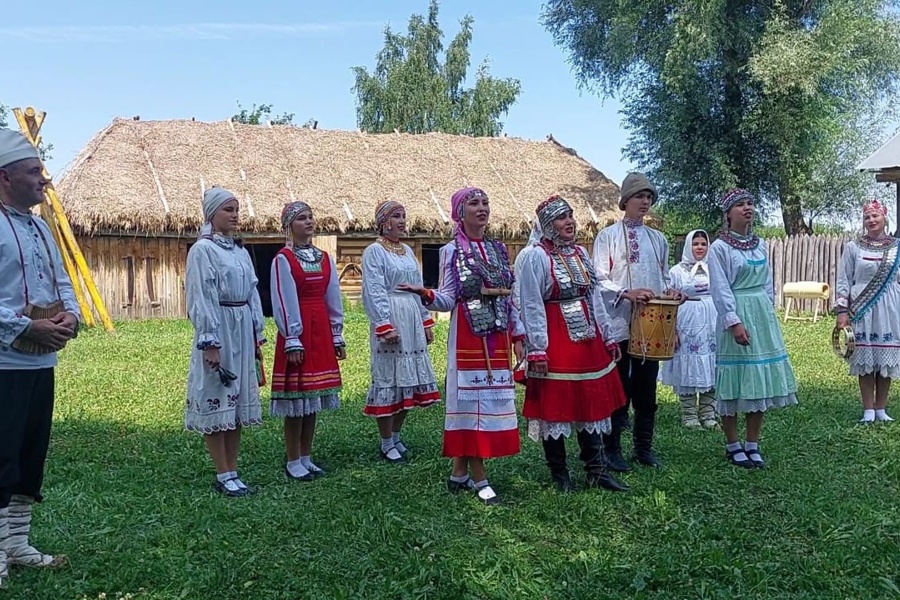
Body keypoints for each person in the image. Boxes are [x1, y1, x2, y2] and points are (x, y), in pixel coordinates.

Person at [401, 187, 525, 505]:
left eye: (485, 202)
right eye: (474, 203)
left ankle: (459, 472)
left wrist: (519, 337)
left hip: (497, 337)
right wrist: (424, 293)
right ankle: (479, 477)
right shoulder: (451, 251)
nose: (482, 208)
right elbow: (447, 297)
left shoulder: (499, 249)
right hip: (467, 337)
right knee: (472, 407)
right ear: (460, 212)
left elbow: (511, 298)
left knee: (491, 404)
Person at [0, 129, 79, 586]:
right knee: (0, 454)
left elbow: (61, 280)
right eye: (34, 172)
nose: (43, 180)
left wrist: (69, 317)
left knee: (30, 455)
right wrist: (24, 326)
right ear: (5, 176)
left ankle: (16, 544)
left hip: (39, 361)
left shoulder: (41, 226)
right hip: (3, 362)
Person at [517, 195, 629, 492]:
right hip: (554, 338)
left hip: (587, 340)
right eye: (561, 217)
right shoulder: (534, 256)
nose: (569, 222)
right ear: (547, 225)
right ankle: (560, 474)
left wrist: (607, 335)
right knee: (555, 404)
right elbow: (530, 303)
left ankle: (597, 469)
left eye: (570, 216)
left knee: (590, 401)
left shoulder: (580, 252)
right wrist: (537, 347)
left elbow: (594, 298)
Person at [591, 172, 685, 471]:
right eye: (639, 196)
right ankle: (612, 449)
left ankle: (644, 448)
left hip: (651, 323)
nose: (645, 202)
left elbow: (665, 276)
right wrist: (625, 293)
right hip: (618, 320)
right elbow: (597, 278)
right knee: (619, 386)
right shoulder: (607, 237)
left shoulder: (658, 239)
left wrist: (670, 291)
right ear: (625, 201)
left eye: (649, 197)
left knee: (646, 388)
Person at [708, 189, 798, 468]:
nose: (747, 208)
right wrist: (734, 322)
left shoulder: (760, 245)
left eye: (750, 203)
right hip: (736, 311)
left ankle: (753, 443)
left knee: (759, 379)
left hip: (761, 313)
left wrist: (768, 313)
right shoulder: (719, 249)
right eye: (740, 205)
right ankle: (733, 444)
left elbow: (768, 283)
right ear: (728, 213)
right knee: (735, 379)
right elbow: (720, 289)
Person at [185, 187, 266, 496]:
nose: (234, 215)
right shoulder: (203, 251)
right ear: (212, 214)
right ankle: (222, 473)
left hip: (241, 326)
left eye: (236, 210)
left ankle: (233, 469)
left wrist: (257, 330)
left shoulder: (239, 251)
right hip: (220, 327)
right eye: (228, 210)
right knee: (218, 395)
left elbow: (252, 292)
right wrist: (210, 341)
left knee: (236, 401)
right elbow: (201, 296)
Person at [270, 202, 345, 480]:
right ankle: (292, 459)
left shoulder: (324, 257)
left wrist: (337, 332)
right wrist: (292, 338)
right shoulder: (283, 259)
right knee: (296, 400)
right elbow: (283, 298)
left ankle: (306, 456)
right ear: (289, 225)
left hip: (321, 329)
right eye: (301, 218)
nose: (309, 222)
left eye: (311, 217)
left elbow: (332, 296)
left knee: (312, 399)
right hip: (299, 330)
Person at [361, 200, 440, 463]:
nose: (402, 221)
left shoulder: (406, 250)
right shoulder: (374, 251)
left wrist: (425, 320)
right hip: (391, 314)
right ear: (384, 221)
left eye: (404, 216)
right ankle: (385, 442)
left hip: (411, 316)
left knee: (409, 379)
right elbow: (374, 289)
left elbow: (418, 287)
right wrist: (384, 324)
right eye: (396, 216)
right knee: (389, 379)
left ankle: (395, 436)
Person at [834, 200, 899, 423]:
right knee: (864, 358)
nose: (871, 221)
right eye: (867, 217)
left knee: (885, 358)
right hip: (862, 308)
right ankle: (868, 409)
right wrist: (842, 311)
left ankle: (881, 408)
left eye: (875, 216)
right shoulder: (854, 247)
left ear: (884, 218)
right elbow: (843, 279)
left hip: (890, 308)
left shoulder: (897, 247)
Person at [660, 229, 719, 429]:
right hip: (686, 322)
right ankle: (689, 415)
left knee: (712, 365)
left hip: (712, 322)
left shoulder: (715, 268)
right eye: (695, 244)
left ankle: (708, 413)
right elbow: (668, 300)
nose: (700, 247)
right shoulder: (676, 271)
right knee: (687, 364)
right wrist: (671, 330)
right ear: (687, 246)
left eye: (703, 244)